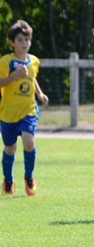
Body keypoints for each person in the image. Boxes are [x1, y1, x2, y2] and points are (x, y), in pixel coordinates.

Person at [0, 20, 49, 196]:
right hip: (8, 114)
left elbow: (32, 78)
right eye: (20, 40)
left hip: (28, 110)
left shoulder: (34, 61)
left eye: (27, 39)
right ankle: (8, 180)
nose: (24, 43)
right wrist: (14, 76)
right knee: (10, 149)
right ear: (12, 43)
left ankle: (29, 177)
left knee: (29, 142)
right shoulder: (5, 61)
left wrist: (40, 94)